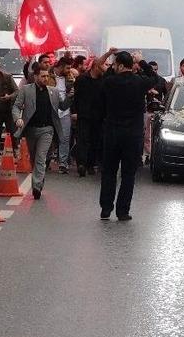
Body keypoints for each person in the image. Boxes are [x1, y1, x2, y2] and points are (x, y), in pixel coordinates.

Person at [99, 51, 157, 220]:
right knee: (128, 174)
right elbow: (154, 78)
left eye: (116, 64)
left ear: (119, 65)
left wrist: (113, 65)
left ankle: (106, 208)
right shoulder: (140, 82)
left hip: (112, 132)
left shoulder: (109, 82)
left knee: (109, 172)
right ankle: (123, 211)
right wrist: (142, 61)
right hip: (133, 135)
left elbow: (104, 79)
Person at [13, 64, 72, 200]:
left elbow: (63, 106)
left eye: (47, 76)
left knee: (41, 157)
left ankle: (37, 186)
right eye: (43, 76)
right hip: (30, 130)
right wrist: (18, 119)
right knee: (34, 158)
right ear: (35, 76)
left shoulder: (54, 92)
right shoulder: (26, 90)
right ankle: (39, 179)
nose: (46, 79)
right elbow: (16, 106)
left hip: (47, 130)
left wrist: (70, 96)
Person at [73, 48, 115, 177]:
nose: (104, 69)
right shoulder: (82, 79)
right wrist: (74, 111)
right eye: (102, 66)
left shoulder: (104, 81)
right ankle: (81, 164)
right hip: (84, 114)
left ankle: (91, 164)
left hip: (99, 116)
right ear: (95, 66)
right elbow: (76, 97)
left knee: (95, 140)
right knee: (82, 139)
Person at [51, 56, 74, 174]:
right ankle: (45, 161)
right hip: (51, 111)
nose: (69, 70)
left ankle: (63, 163)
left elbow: (72, 95)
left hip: (65, 111)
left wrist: (71, 95)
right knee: (49, 138)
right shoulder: (48, 76)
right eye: (67, 68)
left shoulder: (70, 78)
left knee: (65, 138)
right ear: (60, 67)